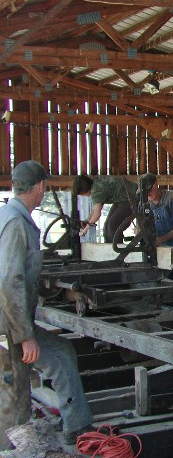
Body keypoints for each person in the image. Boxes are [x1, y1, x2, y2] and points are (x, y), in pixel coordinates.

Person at [0, 161, 93, 447]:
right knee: (16, 392)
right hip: (11, 325)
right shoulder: (16, 222)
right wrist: (25, 336)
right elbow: (8, 282)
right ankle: (14, 447)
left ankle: (77, 427)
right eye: (46, 186)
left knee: (60, 355)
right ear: (40, 187)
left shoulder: (9, 214)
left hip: (13, 320)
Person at [140, 173, 173, 283]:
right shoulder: (143, 204)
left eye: (149, 189)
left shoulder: (171, 199)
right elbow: (140, 227)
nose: (148, 193)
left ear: (156, 184)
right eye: (145, 191)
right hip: (159, 254)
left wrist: (161, 239)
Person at [72, 174, 138, 243]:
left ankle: (117, 250)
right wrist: (88, 220)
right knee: (107, 227)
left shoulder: (96, 192)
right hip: (122, 199)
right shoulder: (96, 182)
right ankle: (109, 248)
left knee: (113, 226)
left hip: (132, 198)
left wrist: (85, 230)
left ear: (83, 191)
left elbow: (97, 214)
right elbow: (96, 209)